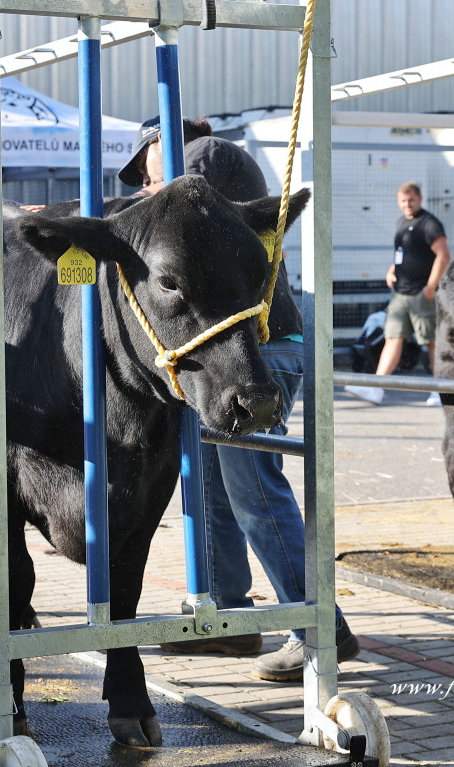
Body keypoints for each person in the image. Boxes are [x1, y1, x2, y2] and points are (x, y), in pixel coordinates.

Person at [119, 116, 360, 682]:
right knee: (210, 488)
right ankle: (229, 620)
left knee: (254, 492)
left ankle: (319, 628)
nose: (144, 182)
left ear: (162, 141)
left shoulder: (204, 156)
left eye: (144, 169)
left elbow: (174, 211)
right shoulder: (210, 163)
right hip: (229, 357)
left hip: (256, 351)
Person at [344, 181, 450, 407]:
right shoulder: (401, 222)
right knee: (393, 338)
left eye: (411, 200)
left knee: (432, 342)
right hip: (400, 293)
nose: (407, 204)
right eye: (403, 200)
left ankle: (441, 390)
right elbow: (402, 253)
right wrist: (392, 270)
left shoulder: (429, 223)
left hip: (423, 294)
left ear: (420, 199)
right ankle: (376, 389)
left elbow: (443, 255)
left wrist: (431, 286)